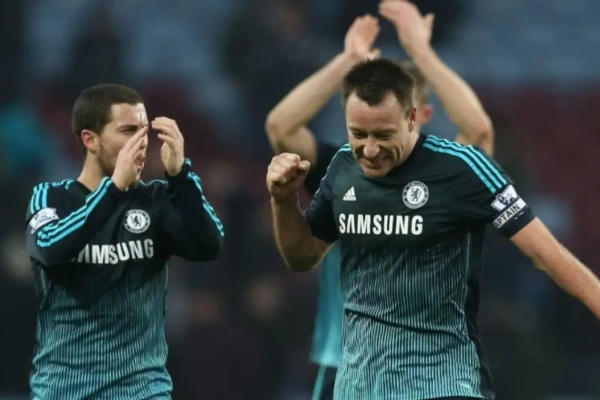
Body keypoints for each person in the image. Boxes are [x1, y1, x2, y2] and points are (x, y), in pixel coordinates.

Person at [266, 59, 600, 399]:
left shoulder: (461, 168)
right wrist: (284, 201)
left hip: (441, 381)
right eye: (359, 134)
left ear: (412, 118)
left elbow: (545, 253)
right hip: (361, 384)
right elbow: (302, 257)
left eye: (383, 135)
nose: (370, 149)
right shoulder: (342, 168)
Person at [265, 2, 493, 399]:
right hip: (347, 363)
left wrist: (422, 53)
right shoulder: (344, 170)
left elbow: (479, 133)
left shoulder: (448, 178)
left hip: (426, 372)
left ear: (419, 115)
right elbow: (281, 127)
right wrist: (348, 61)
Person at [25, 84, 224, 400]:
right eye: (128, 130)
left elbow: (209, 245)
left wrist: (180, 178)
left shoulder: (157, 199)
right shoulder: (51, 198)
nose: (142, 141)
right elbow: (50, 248)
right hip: (64, 391)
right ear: (90, 139)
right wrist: (113, 190)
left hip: (143, 392)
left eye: (144, 131)